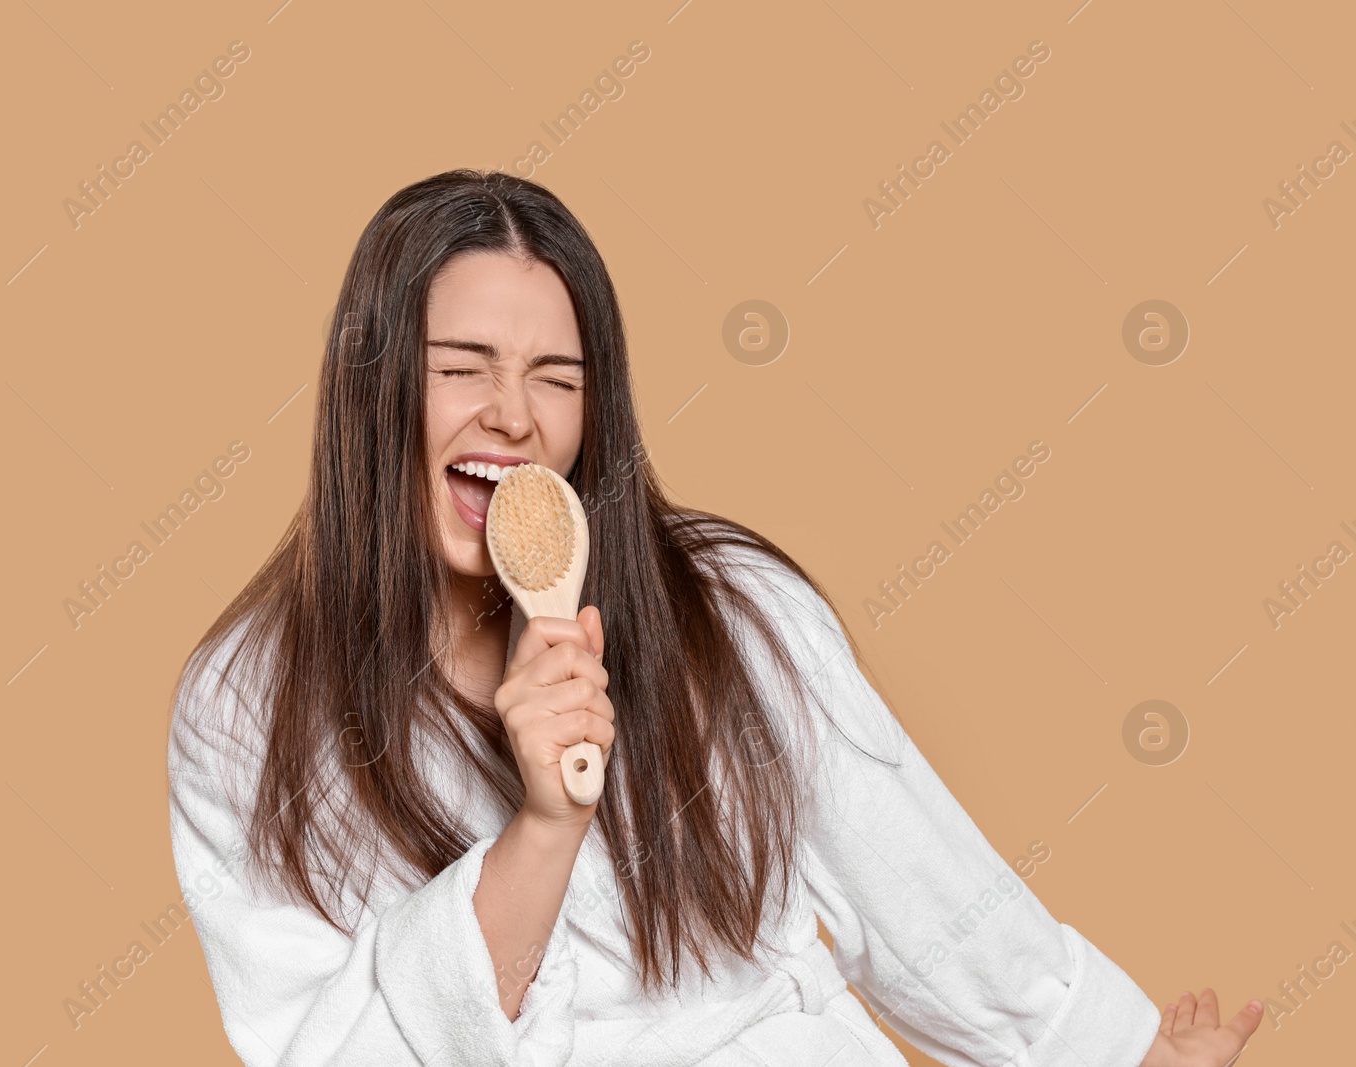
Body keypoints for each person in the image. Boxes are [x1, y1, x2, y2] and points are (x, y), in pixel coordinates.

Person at [166, 169, 1261, 1066]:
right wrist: (545, 826)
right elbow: (325, 1049)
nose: (512, 414)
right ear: (373, 387)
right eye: (460, 368)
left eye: (557, 378)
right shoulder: (245, 708)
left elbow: (917, 880)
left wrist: (1115, 1054)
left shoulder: (725, 608)